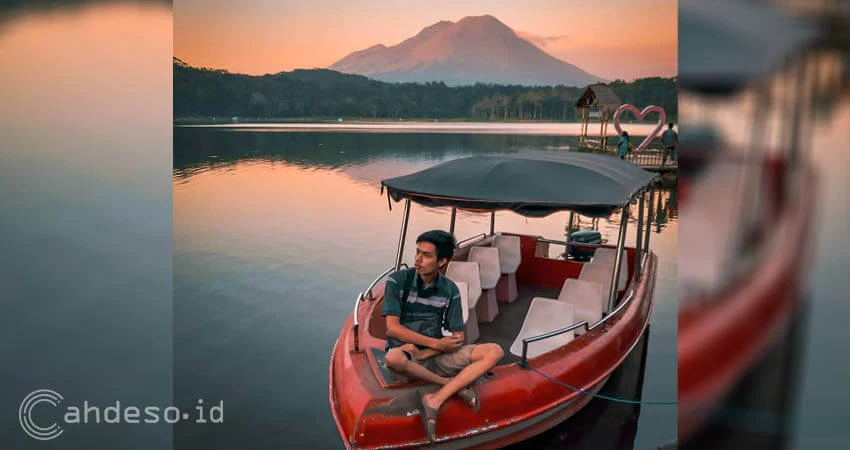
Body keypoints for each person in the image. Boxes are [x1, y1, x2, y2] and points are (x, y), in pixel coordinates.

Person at [382, 230, 504, 441]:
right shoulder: (397, 281)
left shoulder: (451, 290)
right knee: (393, 357)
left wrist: (428, 351)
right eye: (417, 252)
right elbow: (393, 329)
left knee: (494, 351)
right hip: (406, 357)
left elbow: (456, 338)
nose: (418, 260)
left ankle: (435, 400)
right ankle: (449, 383)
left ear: (442, 261)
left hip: (433, 355)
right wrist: (435, 344)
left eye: (427, 255)